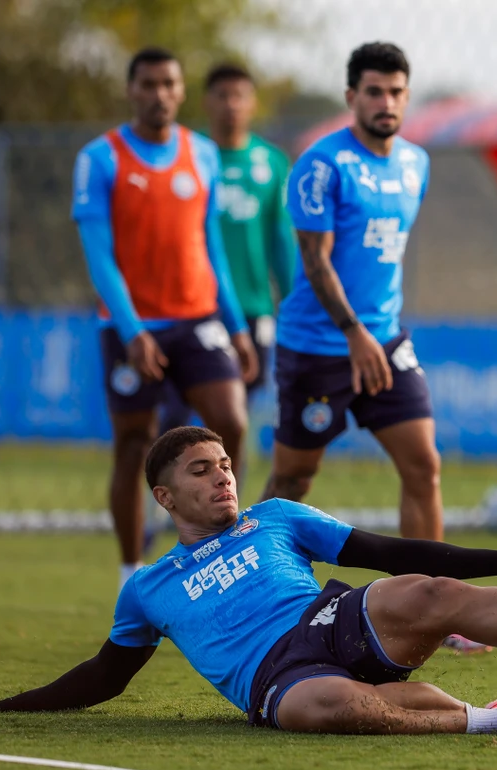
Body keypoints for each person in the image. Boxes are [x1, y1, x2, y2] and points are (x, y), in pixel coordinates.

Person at [0, 427, 497, 735]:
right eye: (200, 472)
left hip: (330, 620)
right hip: (276, 677)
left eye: (225, 465)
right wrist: (4, 708)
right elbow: (106, 676)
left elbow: (383, 549)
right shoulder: (148, 586)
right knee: (326, 708)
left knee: (421, 591)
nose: (222, 477)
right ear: (166, 500)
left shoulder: (272, 516)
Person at [72, 47, 259, 588]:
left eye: (168, 84)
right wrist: (131, 330)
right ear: (132, 90)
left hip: (198, 318)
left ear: (181, 92)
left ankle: (221, 550)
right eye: (148, 84)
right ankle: (132, 574)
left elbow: (211, 247)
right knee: (133, 445)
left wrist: (238, 326)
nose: (159, 94)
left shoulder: (201, 153)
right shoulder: (102, 157)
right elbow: (98, 254)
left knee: (233, 423)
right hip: (132, 325)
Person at [264, 42, 441, 545]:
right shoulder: (321, 166)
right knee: (292, 482)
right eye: (374, 92)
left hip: (384, 342)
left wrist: (371, 333)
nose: (386, 102)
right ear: (351, 96)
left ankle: (430, 604)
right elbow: (316, 263)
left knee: (423, 466)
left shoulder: (416, 164)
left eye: (396, 92)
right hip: (319, 347)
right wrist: (353, 332)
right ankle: (244, 578)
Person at [145, 63, 298, 549]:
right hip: (190, 310)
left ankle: (226, 515)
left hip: (252, 311)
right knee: (173, 419)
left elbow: (281, 242)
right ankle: (169, 517)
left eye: (240, 95)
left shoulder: (271, 164)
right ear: (207, 102)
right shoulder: (191, 156)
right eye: (222, 95)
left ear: (251, 103)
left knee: (235, 419)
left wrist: (291, 304)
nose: (231, 104)